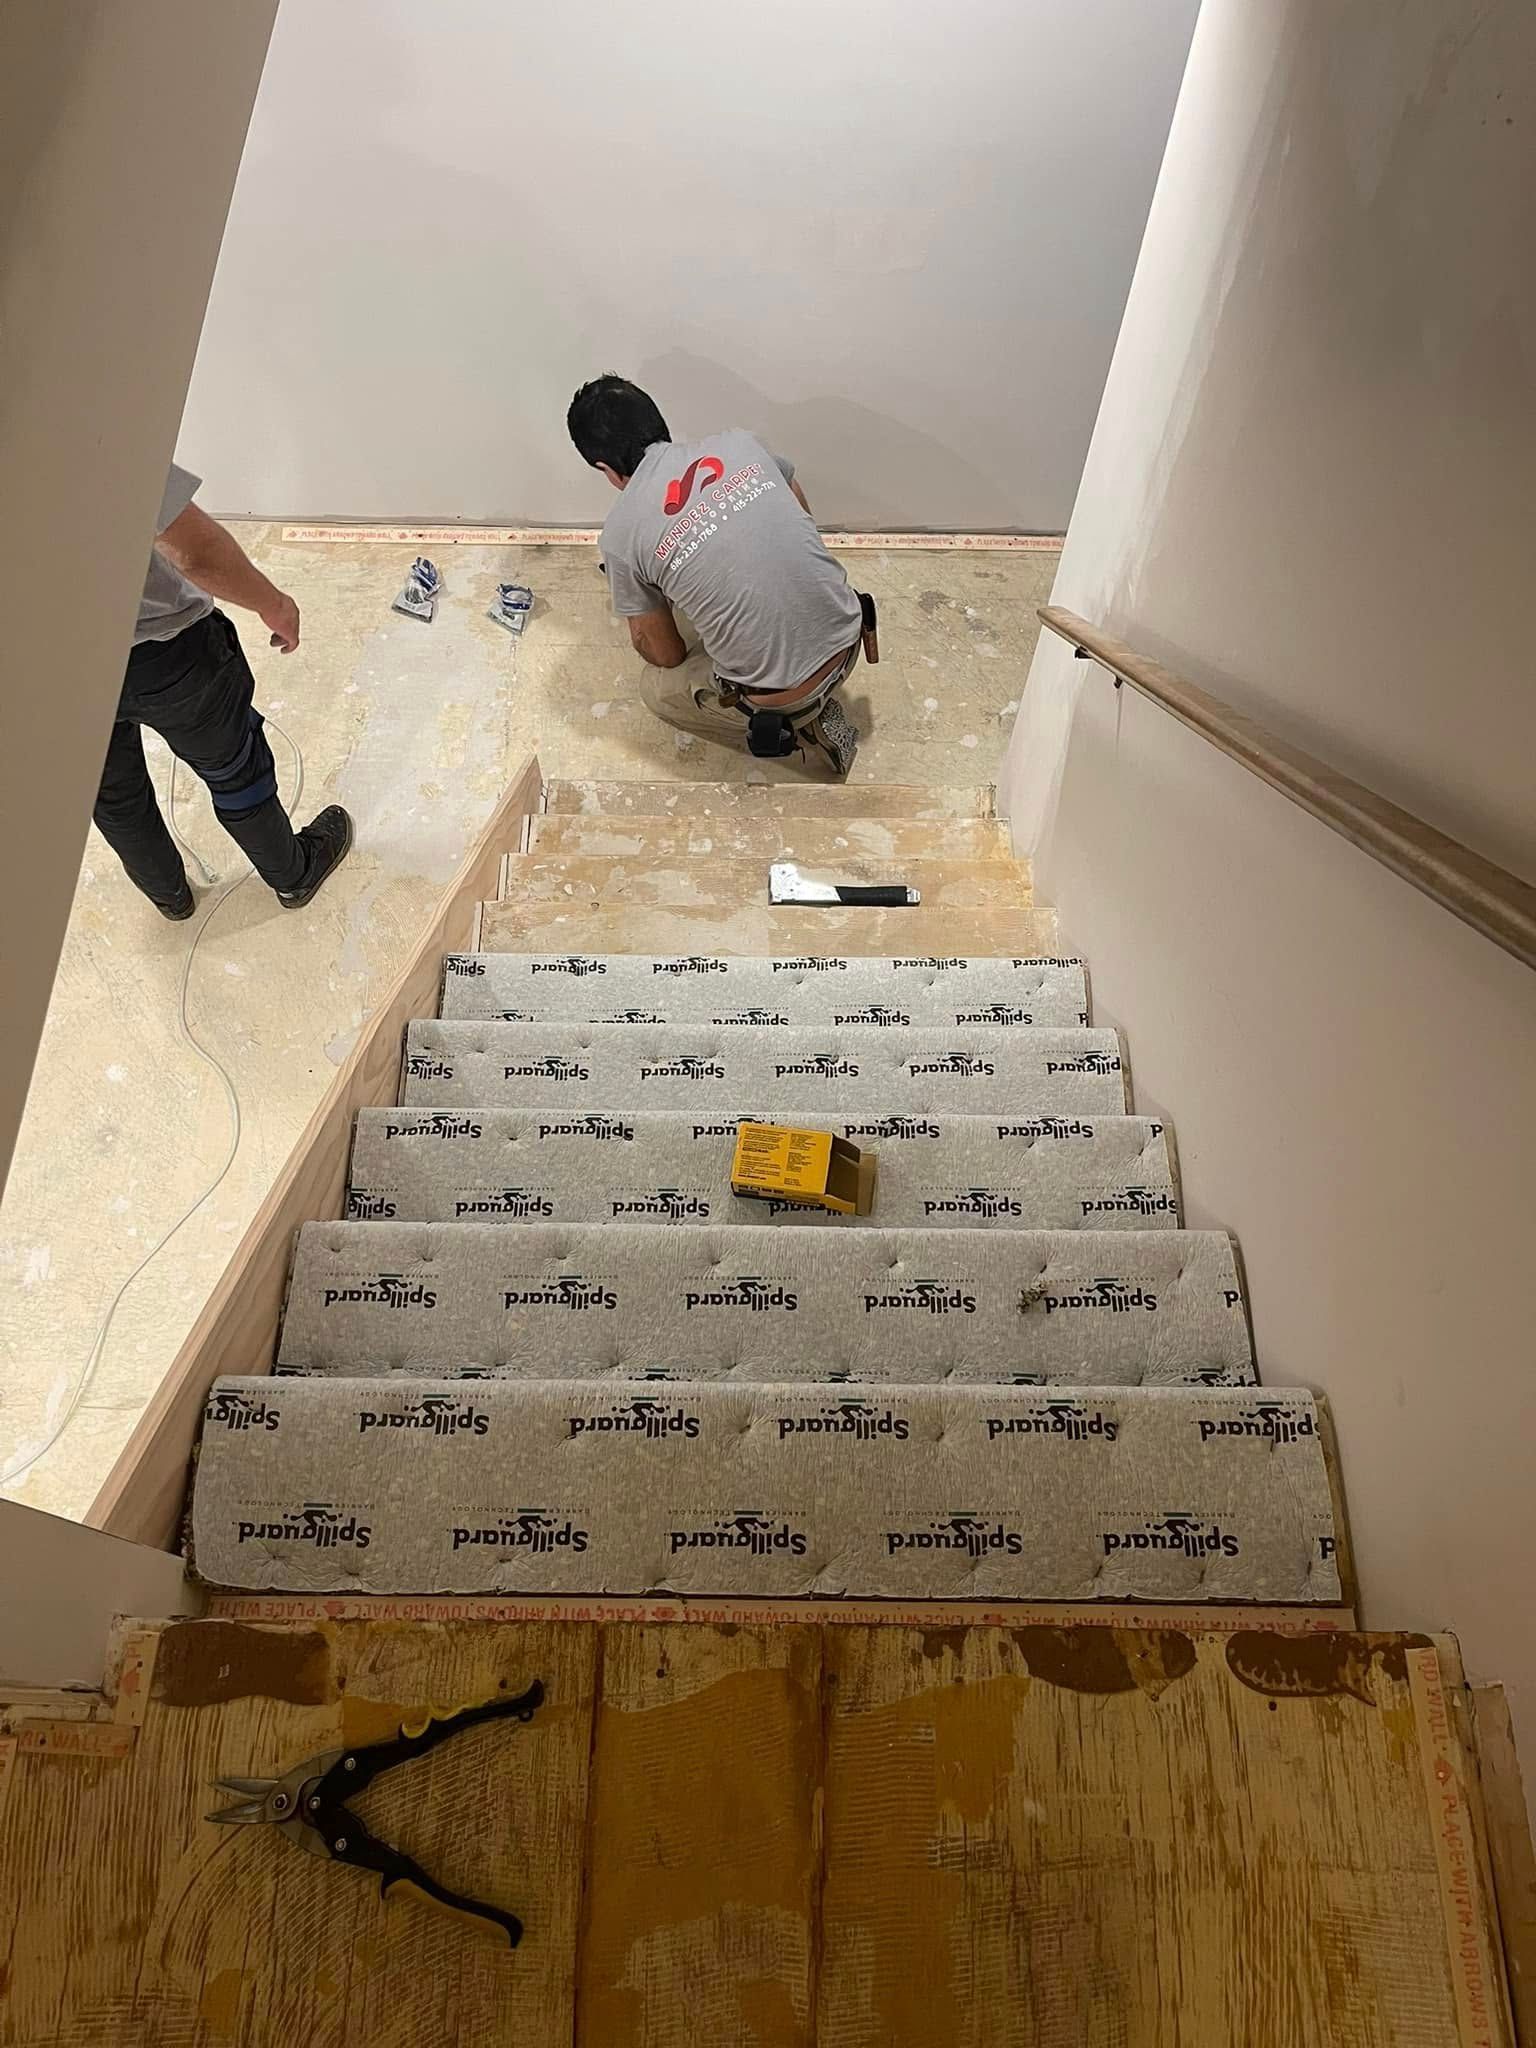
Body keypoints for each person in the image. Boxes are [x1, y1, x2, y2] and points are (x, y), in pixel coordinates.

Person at [567, 375, 874, 774]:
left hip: (784, 695)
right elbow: (793, 495)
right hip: (851, 636)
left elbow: (666, 652)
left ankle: (801, 733)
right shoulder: (740, 443)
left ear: (605, 469)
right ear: (658, 423)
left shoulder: (622, 534)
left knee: (657, 689)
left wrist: (648, 598)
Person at [95, 464, 352, 919]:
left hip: (47, 675)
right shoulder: (82, 423)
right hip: (167, 653)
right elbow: (196, 553)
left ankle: (169, 897)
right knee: (234, 770)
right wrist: (275, 605)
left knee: (112, 794)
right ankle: (292, 876)